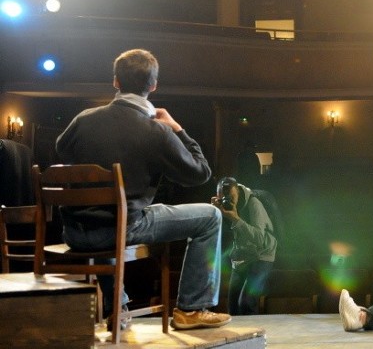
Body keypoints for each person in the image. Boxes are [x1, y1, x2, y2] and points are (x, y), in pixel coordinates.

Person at [55, 49, 231, 331]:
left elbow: (61, 150)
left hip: (75, 231)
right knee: (210, 216)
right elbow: (201, 173)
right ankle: (191, 309)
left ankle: (117, 307)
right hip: (121, 227)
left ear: (116, 82)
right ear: (153, 86)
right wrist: (177, 129)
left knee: (109, 211)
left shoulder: (83, 119)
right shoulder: (155, 131)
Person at [213, 177, 277, 315]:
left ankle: (252, 333)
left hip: (262, 254)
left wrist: (235, 218)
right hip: (242, 255)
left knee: (246, 302)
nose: (228, 201)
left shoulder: (254, 204)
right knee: (232, 305)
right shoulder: (224, 208)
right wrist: (215, 213)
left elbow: (260, 239)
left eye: (231, 197)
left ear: (239, 192)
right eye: (223, 198)